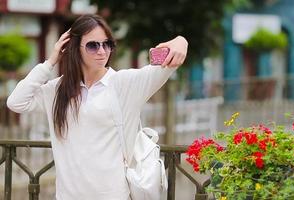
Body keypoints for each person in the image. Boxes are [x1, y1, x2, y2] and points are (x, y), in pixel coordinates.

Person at [7, 14, 188, 200]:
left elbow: (170, 63)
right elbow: (16, 101)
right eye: (93, 45)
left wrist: (181, 40)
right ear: (74, 48)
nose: (102, 51)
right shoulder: (58, 90)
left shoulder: (124, 83)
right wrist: (51, 61)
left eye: (107, 44)